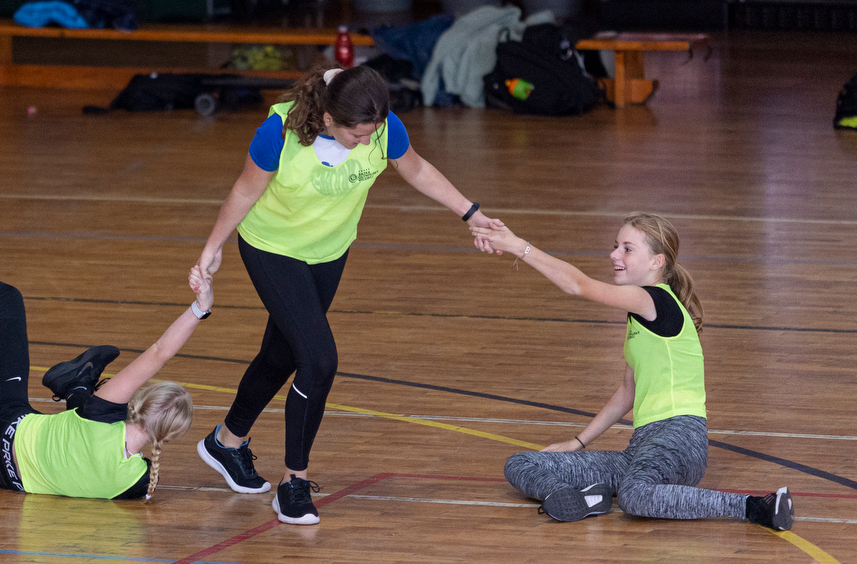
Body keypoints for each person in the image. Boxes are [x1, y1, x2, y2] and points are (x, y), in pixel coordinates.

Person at [193, 65, 497, 525]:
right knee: (319, 360)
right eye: (356, 135)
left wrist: (470, 214)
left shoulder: (381, 126)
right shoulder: (278, 133)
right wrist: (212, 247)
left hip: (329, 251)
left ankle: (226, 442)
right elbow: (243, 191)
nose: (364, 142)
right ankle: (294, 482)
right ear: (329, 118)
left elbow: (415, 167)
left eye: (371, 133)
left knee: (282, 354)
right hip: (272, 248)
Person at [470, 212, 794, 530]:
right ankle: (580, 498)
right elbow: (628, 391)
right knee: (523, 463)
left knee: (634, 496)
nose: (614, 254)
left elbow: (578, 285)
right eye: (616, 246)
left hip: (680, 440)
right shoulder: (640, 315)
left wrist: (519, 246)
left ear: (657, 261)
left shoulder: (655, 300)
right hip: (640, 448)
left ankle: (755, 506)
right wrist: (577, 442)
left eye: (627, 248)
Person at [0, 187, 211, 500]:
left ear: (139, 401)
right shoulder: (138, 481)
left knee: (7, 300)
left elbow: (160, 352)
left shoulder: (103, 412)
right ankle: (74, 385)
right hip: (6, 478)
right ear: (171, 435)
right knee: (77, 427)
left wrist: (200, 307)